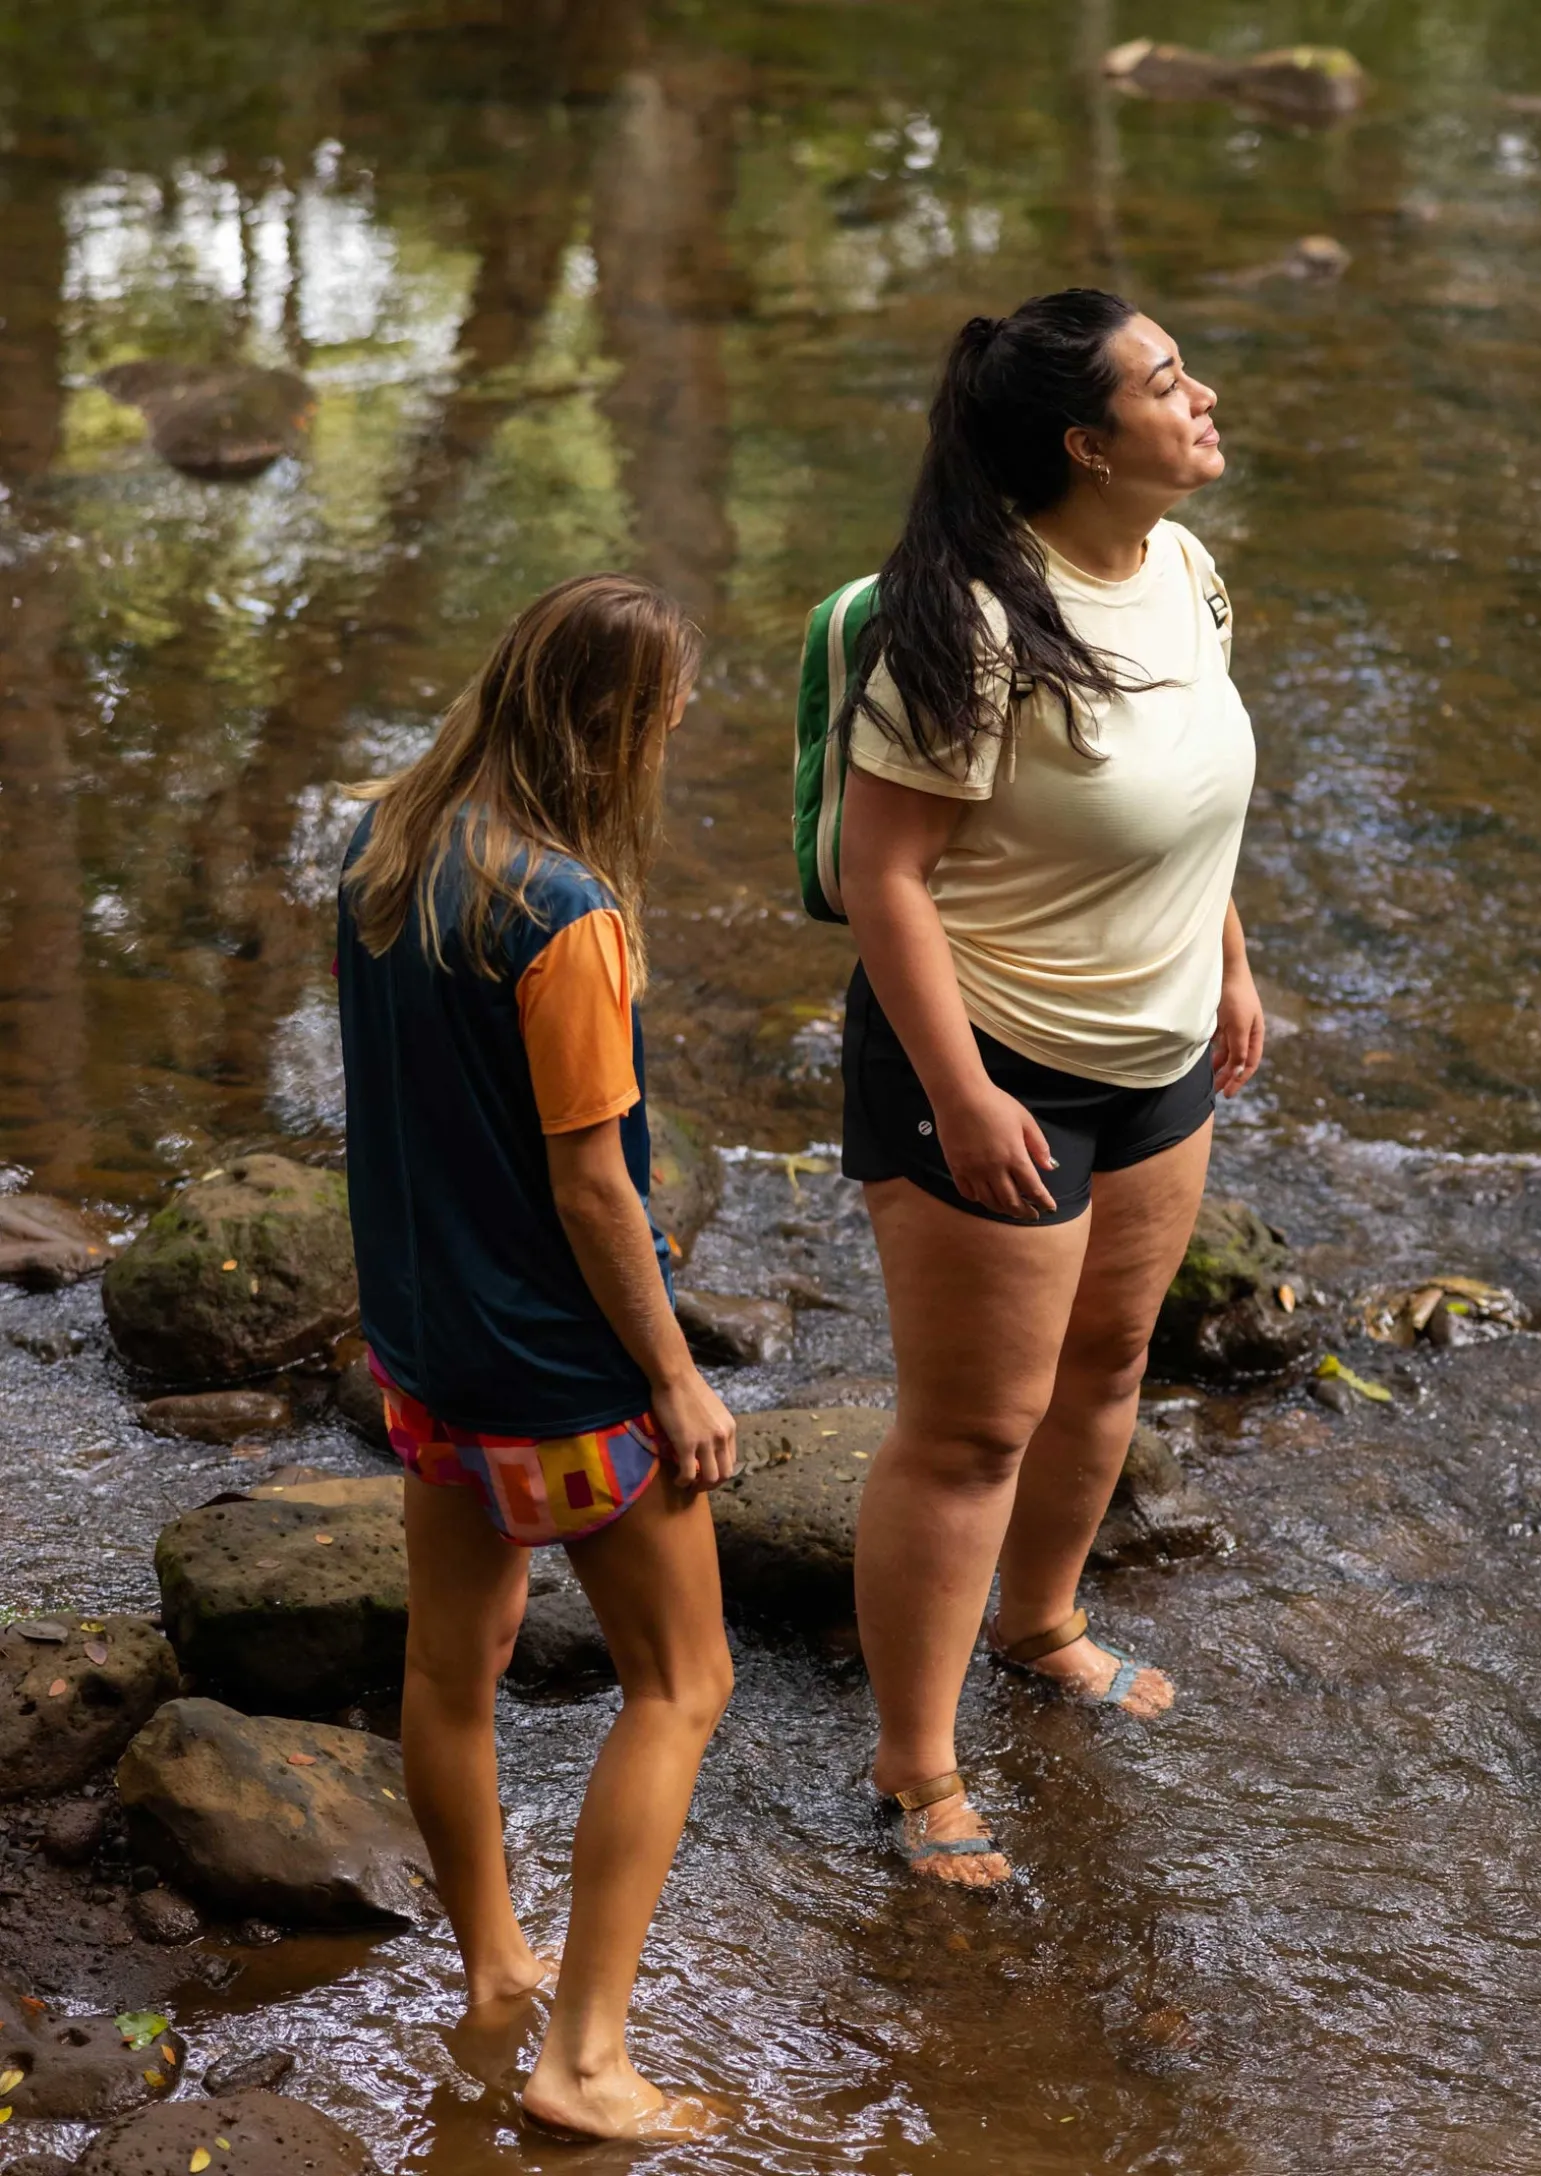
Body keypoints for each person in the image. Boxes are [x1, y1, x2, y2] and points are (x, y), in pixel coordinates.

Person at [837, 289, 1263, 1886]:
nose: (1203, 395)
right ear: (1088, 443)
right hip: (991, 1054)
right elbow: (883, 876)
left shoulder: (1184, 568)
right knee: (970, 1432)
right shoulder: (968, 625)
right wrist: (954, 1096)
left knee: (1109, 1366)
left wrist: (1227, 956)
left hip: (1158, 1049)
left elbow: (1192, 789)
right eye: (1168, 382)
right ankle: (916, 1767)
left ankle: (1040, 1624)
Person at [336, 573, 737, 2135]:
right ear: (612, 725)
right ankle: (583, 2062)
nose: (680, 733)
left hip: (426, 1355)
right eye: (669, 715)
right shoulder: (565, 916)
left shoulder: (381, 845)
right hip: (560, 1379)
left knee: (452, 1671)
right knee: (683, 1681)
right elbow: (592, 1185)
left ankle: (497, 1971)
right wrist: (680, 1377)